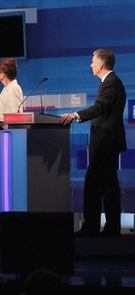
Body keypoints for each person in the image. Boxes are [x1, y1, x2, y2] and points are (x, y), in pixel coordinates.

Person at [60, 49, 127, 237]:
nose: (90, 65)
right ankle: (109, 228)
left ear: (100, 65)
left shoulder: (110, 83)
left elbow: (99, 108)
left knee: (96, 185)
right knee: (107, 186)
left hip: (106, 143)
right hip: (107, 142)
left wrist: (75, 115)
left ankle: (93, 227)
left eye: (92, 61)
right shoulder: (110, 82)